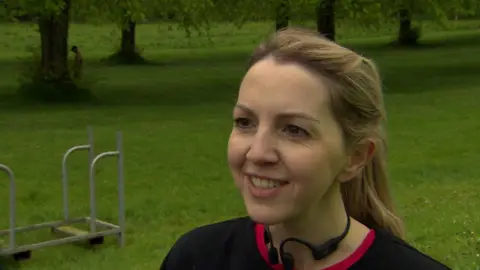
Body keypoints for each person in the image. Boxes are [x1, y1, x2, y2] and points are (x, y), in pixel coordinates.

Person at [159, 28, 451, 270]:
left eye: (294, 130)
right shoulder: (196, 259)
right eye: (245, 122)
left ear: (356, 156)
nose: (258, 153)